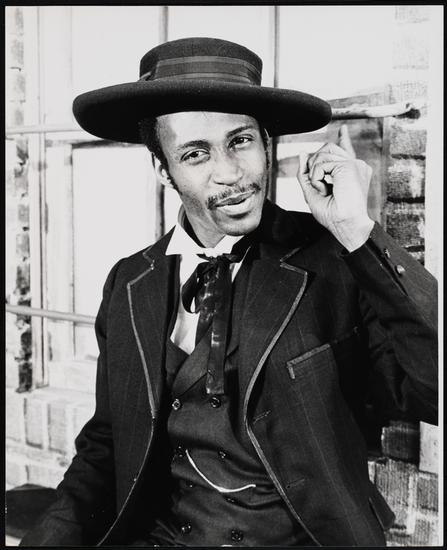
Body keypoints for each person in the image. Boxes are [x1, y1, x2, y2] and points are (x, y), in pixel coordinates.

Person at [20, 37, 437, 547]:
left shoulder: (335, 257)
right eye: (196, 154)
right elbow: (106, 445)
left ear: (267, 144)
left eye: (240, 141)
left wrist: (357, 231)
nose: (231, 174)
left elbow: (434, 390)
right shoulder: (129, 283)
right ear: (163, 169)